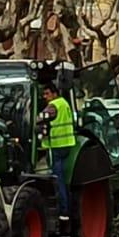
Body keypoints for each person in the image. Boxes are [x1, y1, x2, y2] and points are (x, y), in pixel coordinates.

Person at [41, 81, 77, 221]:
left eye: (47, 93)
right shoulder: (64, 103)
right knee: (60, 176)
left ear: (54, 93)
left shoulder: (53, 106)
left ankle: (63, 210)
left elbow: (38, 119)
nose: (45, 96)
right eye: (43, 94)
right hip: (67, 144)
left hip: (58, 146)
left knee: (58, 178)